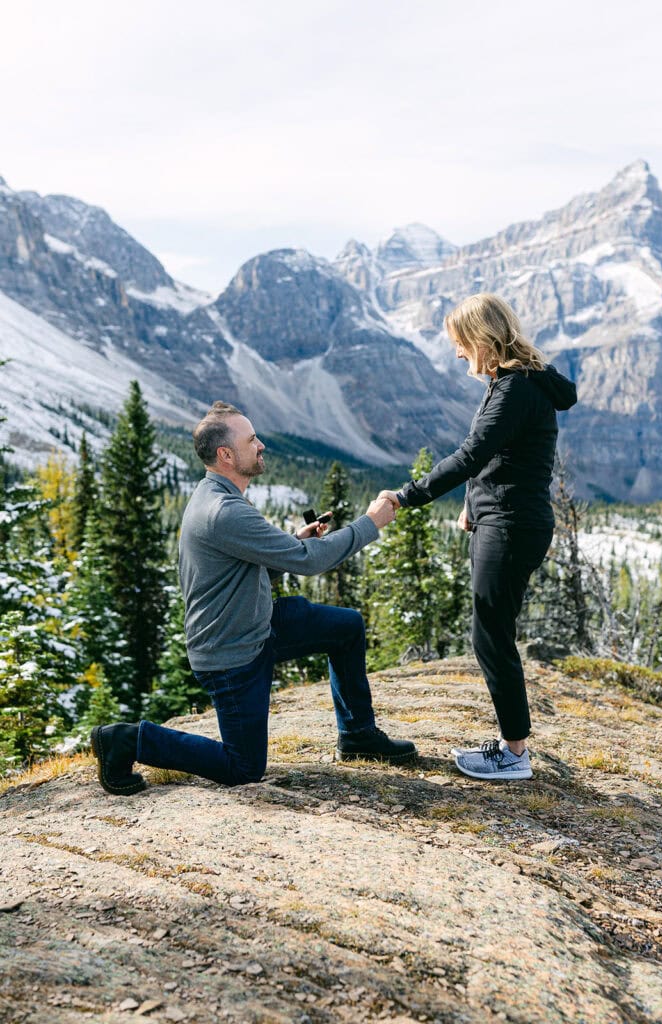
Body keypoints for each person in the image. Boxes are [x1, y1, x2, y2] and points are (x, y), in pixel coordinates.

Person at [92, 402, 417, 796]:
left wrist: (292, 543)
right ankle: (126, 739)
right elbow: (311, 562)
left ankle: (358, 735)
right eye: (251, 440)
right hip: (232, 652)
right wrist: (371, 523)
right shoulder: (223, 510)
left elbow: (246, 567)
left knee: (345, 627)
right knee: (243, 767)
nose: (261, 445)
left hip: (257, 623)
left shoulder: (218, 495)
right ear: (226, 455)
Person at [381, 293, 577, 782]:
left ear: (483, 338)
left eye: (460, 342)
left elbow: (471, 454)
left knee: (490, 635)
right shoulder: (517, 383)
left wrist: (405, 497)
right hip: (504, 519)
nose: (456, 352)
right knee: (491, 632)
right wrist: (474, 502)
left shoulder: (515, 389)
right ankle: (513, 746)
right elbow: (499, 457)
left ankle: (514, 754)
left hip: (511, 525)